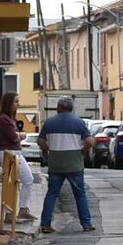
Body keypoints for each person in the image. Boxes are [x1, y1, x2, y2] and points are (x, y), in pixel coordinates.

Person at [37, 97, 96, 233]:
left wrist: (49, 147)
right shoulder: (79, 122)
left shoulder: (49, 123)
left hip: (56, 163)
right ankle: (86, 223)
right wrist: (82, 150)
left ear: (58, 107)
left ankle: (45, 224)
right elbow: (89, 142)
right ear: (71, 108)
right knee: (80, 193)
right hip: (74, 163)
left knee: (52, 193)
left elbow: (40, 141)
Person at [0, 92, 36, 222]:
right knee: (20, 181)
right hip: (10, 153)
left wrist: (17, 134)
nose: (18, 104)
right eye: (16, 102)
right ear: (8, 103)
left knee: (17, 182)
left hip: (13, 153)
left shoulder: (9, 118)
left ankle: (20, 210)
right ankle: (14, 212)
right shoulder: (4, 119)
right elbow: (13, 138)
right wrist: (21, 135)